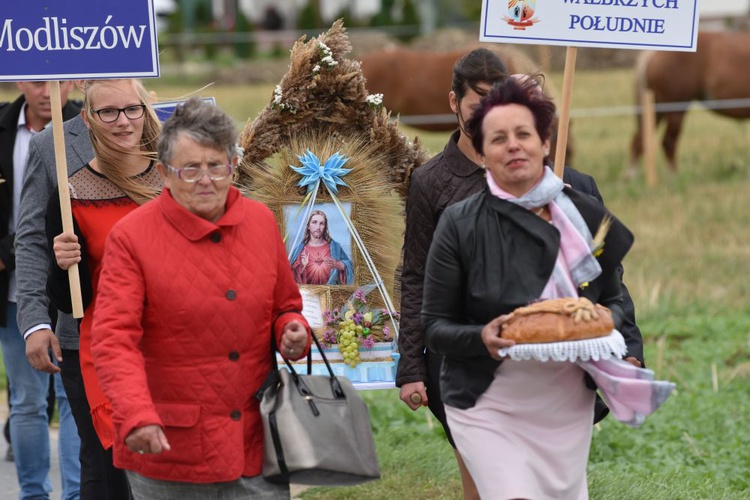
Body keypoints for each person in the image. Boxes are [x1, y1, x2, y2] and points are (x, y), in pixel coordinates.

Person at [397, 49, 645, 500]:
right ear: (482, 149)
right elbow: (423, 293)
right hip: (478, 385)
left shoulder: (580, 199)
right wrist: (427, 359)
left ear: (546, 140)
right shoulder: (455, 213)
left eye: (524, 133)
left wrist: (628, 350)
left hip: (563, 391)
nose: (513, 146)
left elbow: (612, 289)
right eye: (497, 137)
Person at [82, 96, 310, 498]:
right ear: (165, 174)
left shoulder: (260, 221)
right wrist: (135, 414)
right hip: (171, 450)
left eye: (216, 166)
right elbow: (113, 339)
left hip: (256, 444)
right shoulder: (132, 237)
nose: (206, 180)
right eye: (190, 169)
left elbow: (286, 305)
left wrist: (291, 330)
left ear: (232, 166)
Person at [46, 78, 163, 498]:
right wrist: (63, 266)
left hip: (173, 348)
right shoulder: (70, 194)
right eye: (108, 112)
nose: (122, 121)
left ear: (146, 110)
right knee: (109, 470)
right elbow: (67, 301)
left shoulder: (178, 180)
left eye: (131, 109)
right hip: (106, 349)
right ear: (88, 119)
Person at [0, 80, 82, 499]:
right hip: (16, 291)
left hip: (74, 290)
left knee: (73, 400)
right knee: (28, 401)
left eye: (59, 81)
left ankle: (75, 493)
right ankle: (33, 494)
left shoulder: (92, 124)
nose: (49, 90)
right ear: (19, 80)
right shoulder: (2, 128)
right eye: (37, 81)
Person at [290, 209, 354, 285]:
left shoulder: (335, 247)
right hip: (307, 295)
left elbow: (352, 267)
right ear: (308, 226)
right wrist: (302, 267)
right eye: (314, 222)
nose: (318, 227)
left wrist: (341, 265)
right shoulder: (299, 251)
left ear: (325, 227)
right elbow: (289, 277)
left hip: (331, 294)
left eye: (321, 223)